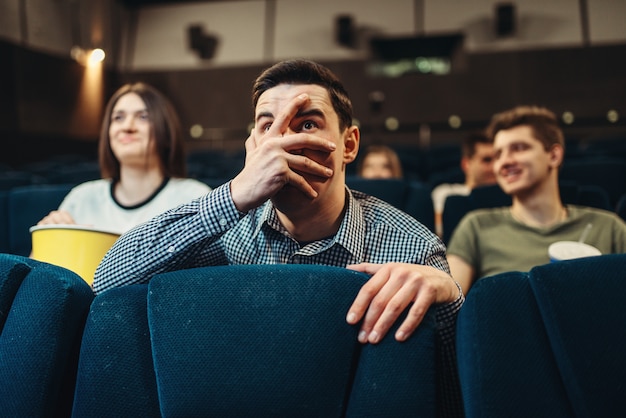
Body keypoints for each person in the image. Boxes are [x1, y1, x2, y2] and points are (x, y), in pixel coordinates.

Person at [94, 60, 464, 416]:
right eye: (267, 126)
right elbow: (107, 279)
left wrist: (450, 299)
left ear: (349, 145)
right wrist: (235, 193)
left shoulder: (410, 247)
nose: (281, 142)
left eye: (306, 124)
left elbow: (450, 397)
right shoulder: (225, 231)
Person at [447, 105, 626, 294]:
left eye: (519, 148)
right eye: (498, 154)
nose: (504, 162)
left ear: (554, 155)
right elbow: (449, 298)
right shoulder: (476, 226)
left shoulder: (609, 227)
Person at [37, 82, 211, 235]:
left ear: (166, 133)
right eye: (118, 118)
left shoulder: (195, 199)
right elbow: (40, 269)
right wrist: (48, 236)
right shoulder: (81, 198)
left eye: (143, 117)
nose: (127, 127)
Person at [430, 132, 496, 238]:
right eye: (486, 160)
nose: (494, 167)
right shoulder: (445, 192)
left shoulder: (510, 194)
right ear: (466, 164)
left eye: (497, 159)